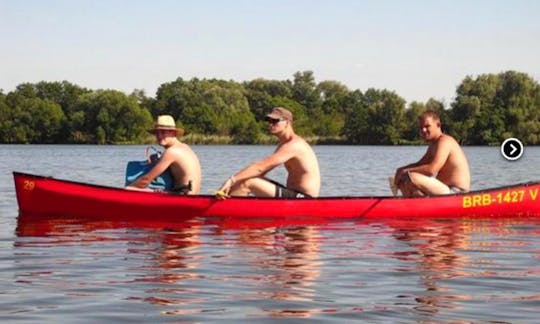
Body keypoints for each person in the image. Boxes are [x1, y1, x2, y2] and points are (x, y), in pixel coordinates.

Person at [216, 107, 320, 198]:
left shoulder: (294, 145)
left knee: (247, 182)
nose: (270, 124)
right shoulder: (283, 144)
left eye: (275, 121)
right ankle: (229, 204)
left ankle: (227, 210)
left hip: (304, 199)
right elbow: (262, 170)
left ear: (287, 122)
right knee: (246, 178)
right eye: (269, 121)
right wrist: (238, 180)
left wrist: (232, 180)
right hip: (293, 195)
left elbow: (260, 167)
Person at [393, 110, 470, 197]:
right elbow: (420, 164)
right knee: (403, 178)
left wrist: (405, 171)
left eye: (427, 126)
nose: (423, 130)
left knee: (412, 177)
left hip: (456, 192)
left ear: (438, 125)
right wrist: (400, 170)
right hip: (444, 190)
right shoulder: (433, 144)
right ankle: (415, 204)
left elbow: (432, 170)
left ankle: (417, 203)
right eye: (421, 127)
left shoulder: (444, 141)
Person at [126, 115, 201, 195]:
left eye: (163, 132)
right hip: (191, 195)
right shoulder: (185, 147)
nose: (159, 136)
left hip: (183, 196)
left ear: (173, 133)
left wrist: (127, 190)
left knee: (129, 189)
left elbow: (146, 180)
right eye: (157, 133)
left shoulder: (171, 152)